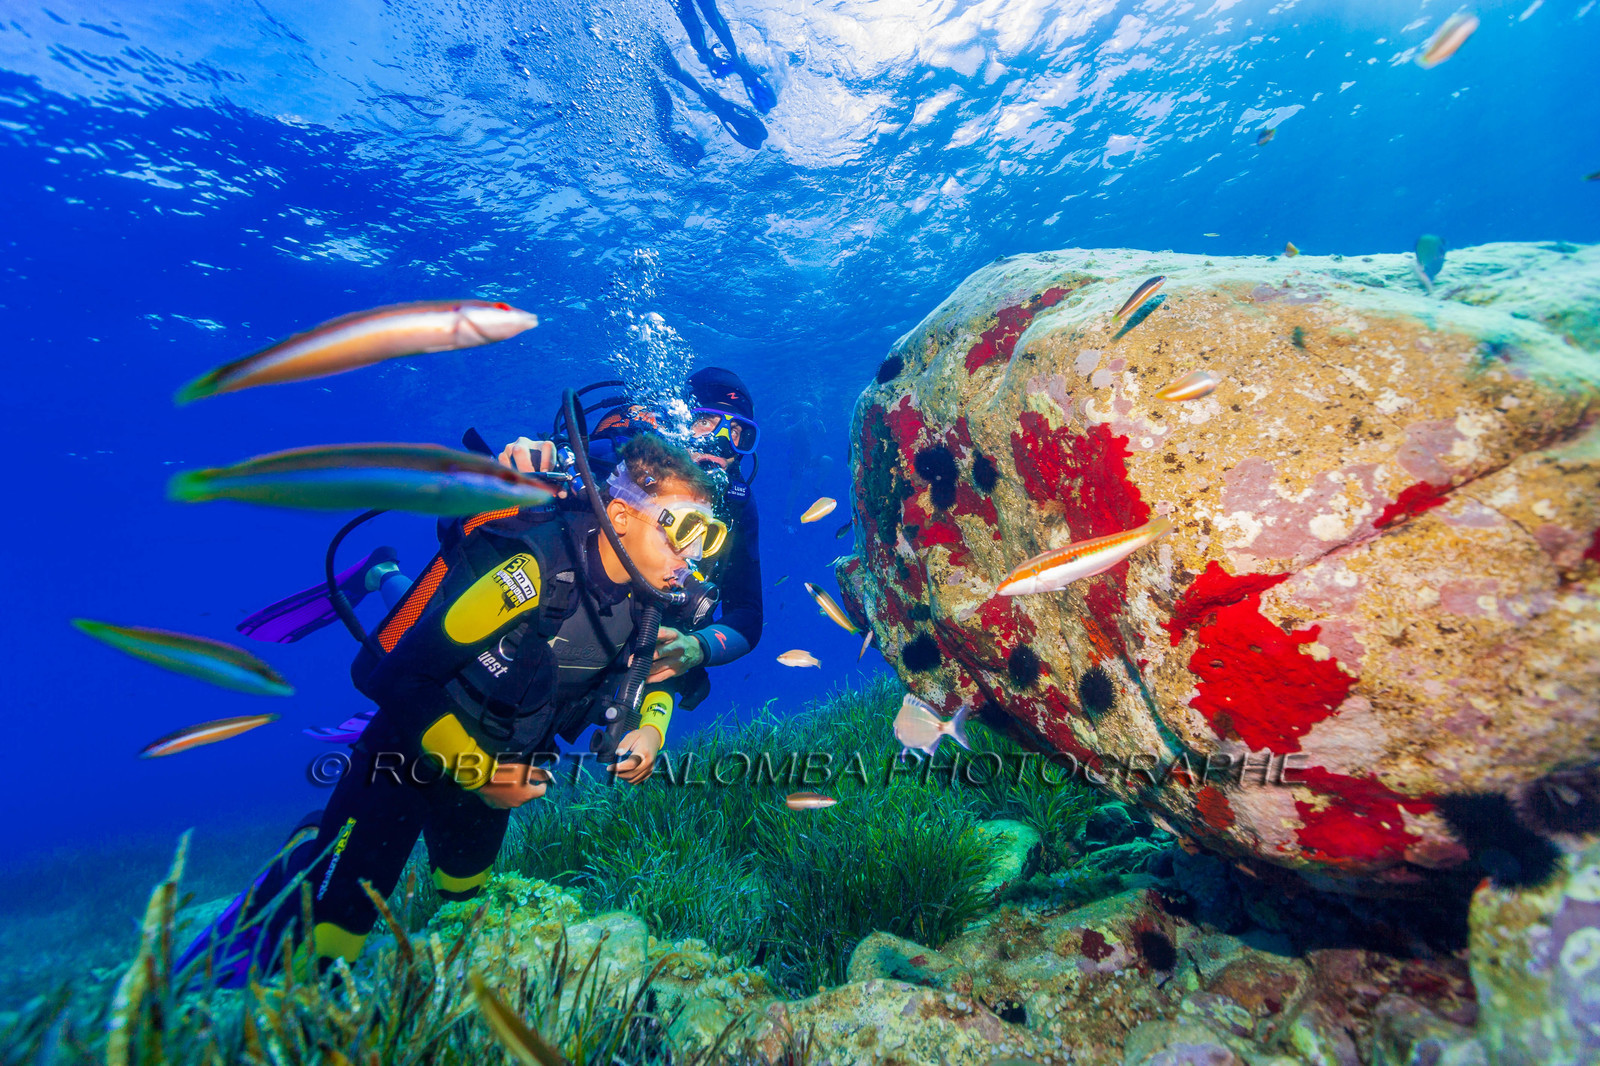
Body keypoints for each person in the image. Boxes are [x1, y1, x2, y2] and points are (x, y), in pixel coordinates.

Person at [181, 432, 724, 981]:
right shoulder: (530, 574)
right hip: (406, 754)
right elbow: (401, 678)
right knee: (333, 940)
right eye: (680, 531)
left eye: (708, 538)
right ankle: (292, 870)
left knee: (465, 912)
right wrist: (483, 774)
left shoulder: (651, 601)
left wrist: (651, 730)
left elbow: (660, 677)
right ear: (622, 516)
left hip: (496, 765)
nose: (692, 558)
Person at [500, 367, 764, 707]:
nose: (722, 442)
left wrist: (697, 648)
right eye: (705, 422)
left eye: (740, 432)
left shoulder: (735, 506)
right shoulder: (622, 462)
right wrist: (518, 470)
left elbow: (748, 615)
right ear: (677, 422)